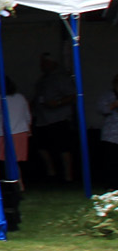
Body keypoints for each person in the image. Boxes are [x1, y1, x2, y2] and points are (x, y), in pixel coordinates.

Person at [31, 52, 77, 184]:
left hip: (59, 118)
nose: (42, 65)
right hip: (42, 119)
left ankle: (68, 176)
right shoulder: (42, 80)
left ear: (53, 63)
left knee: (64, 147)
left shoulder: (61, 77)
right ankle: (52, 173)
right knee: (42, 147)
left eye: (45, 62)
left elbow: (73, 95)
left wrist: (57, 103)